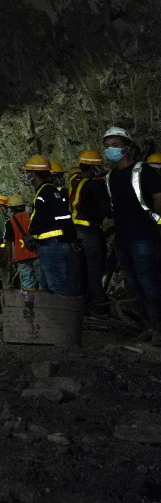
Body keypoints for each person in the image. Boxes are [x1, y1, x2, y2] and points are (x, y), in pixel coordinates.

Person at [102, 126, 161, 343]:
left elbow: (157, 198)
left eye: (115, 146)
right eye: (107, 147)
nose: (110, 150)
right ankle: (148, 326)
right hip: (123, 239)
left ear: (127, 148)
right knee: (134, 285)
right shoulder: (110, 177)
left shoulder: (142, 171)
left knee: (150, 283)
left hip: (144, 237)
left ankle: (159, 330)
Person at [23, 155, 76, 295]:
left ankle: (66, 315)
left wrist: (71, 238)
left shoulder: (47, 191)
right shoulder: (44, 191)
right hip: (48, 244)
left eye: (27, 173)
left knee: (57, 285)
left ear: (32, 174)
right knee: (48, 286)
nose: (26, 176)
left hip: (53, 245)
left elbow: (63, 216)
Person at [68, 149, 111, 314]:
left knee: (79, 270)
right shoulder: (93, 185)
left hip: (74, 230)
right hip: (89, 230)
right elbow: (105, 208)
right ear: (94, 168)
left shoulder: (73, 179)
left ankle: (81, 304)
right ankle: (99, 305)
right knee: (95, 269)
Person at [4, 194, 39, 291]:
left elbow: (8, 242)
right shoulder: (31, 216)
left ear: (12, 208)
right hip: (36, 253)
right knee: (42, 282)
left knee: (27, 284)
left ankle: (31, 305)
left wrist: (8, 260)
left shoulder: (9, 222)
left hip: (21, 257)